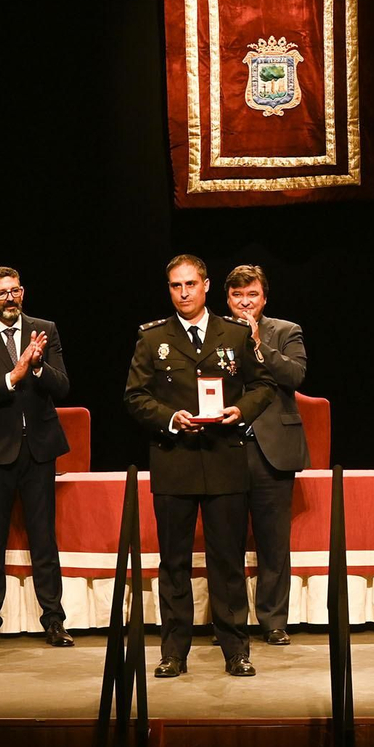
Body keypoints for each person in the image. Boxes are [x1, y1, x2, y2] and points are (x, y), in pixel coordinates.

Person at [124, 254, 275, 678]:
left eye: (191, 284)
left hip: (225, 459)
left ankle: (236, 650)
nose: (184, 292)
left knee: (227, 561)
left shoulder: (235, 333)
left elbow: (263, 384)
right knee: (174, 563)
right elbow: (135, 396)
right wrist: (170, 418)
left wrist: (240, 410)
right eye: (176, 286)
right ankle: (174, 652)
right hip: (175, 461)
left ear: (206, 286)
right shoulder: (153, 337)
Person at [0, 267, 74, 649]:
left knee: (44, 539)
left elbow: (63, 386)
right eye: (2, 293)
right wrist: (14, 375)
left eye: (15, 290)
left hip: (38, 449)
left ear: (22, 292)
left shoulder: (45, 329)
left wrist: (37, 366)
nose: (10, 298)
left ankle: (53, 621)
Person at [224, 264, 309, 646]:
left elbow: (295, 376)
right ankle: (230, 623)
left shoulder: (286, 331)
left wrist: (259, 343)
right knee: (226, 541)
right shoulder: (214, 332)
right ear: (227, 298)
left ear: (264, 298)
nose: (245, 302)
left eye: (252, 295)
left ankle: (274, 621)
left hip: (272, 449)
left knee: (274, 542)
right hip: (226, 446)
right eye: (237, 295)